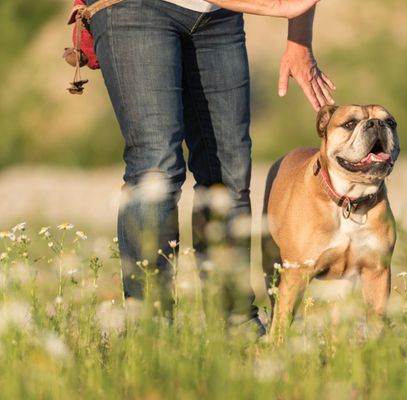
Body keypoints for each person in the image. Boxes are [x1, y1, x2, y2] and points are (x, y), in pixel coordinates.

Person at [87, 0, 335, 331]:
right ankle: (149, 332)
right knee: (156, 167)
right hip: (135, 7)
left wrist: (299, 41)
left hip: (217, 18)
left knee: (229, 171)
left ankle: (234, 325)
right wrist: (272, 6)